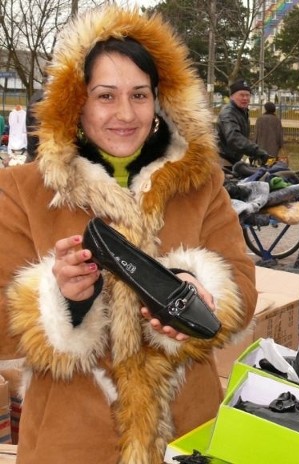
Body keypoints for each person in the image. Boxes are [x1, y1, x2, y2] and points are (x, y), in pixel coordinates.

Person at [0, 6, 257, 463]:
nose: (125, 113)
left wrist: (206, 294)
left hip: (186, 430)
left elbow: (242, 285)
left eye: (140, 95)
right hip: (72, 440)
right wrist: (58, 300)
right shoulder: (23, 190)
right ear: (76, 102)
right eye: (105, 96)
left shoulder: (199, 183)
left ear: (160, 101)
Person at [216, 78, 270, 167]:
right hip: (222, 160)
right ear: (232, 96)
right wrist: (256, 151)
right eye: (241, 95)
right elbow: (234, 138)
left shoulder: (242, 111)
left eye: (247, 95)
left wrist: (251, 152)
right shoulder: (228, 113)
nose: (245, 98)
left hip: (232, 159)